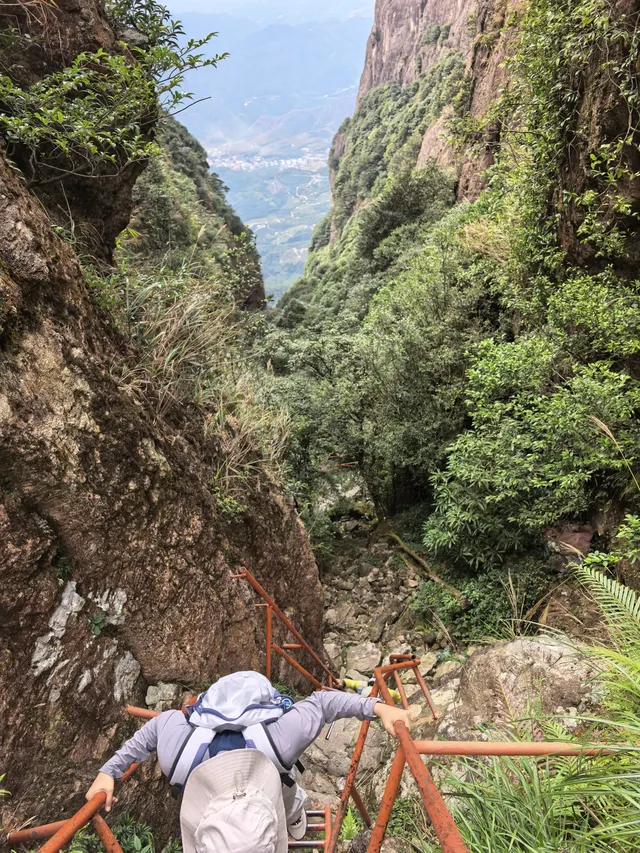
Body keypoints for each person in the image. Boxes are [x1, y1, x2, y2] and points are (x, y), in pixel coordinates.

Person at [85, 678, 411, 851]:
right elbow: (323, 702)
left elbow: (157, 727)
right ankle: (294, 814)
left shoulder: (179, 756)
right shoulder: (280, 740)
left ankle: (293, 811)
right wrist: (379, 708)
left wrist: (109, 771)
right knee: (287, 787)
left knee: (286, 789)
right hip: (269, 766)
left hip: (250, 764)